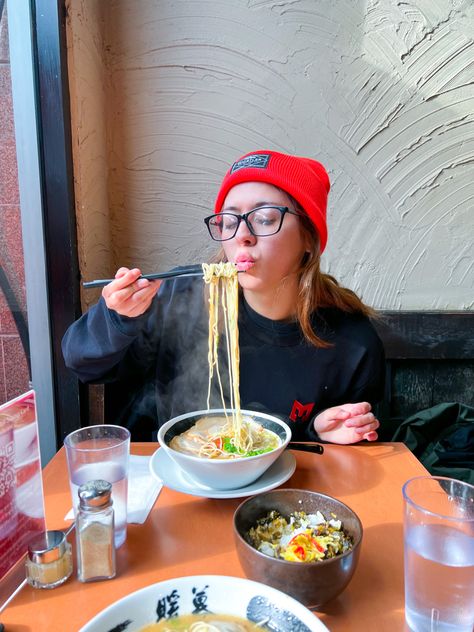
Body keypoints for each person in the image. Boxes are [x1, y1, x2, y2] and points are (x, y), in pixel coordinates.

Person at [62, 149, 385, 444]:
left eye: (265, 218)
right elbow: (82, 364)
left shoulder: (351, 342)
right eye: (229, 222)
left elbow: (364, 451)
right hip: (175, 481)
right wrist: (117, 317)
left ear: (308, 238)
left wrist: (319, 431)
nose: (242, 235)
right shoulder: (179, 297)